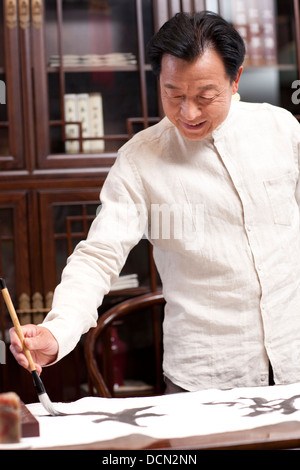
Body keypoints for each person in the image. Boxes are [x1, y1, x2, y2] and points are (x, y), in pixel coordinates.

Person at [10, 11, 300, 393]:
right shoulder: (141, 158)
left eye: (205, 96)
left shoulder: (281, 129)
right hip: (208, 374)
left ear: (236, 80)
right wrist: (58, 330)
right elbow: (99, 255)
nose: (188, 113)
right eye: (173, 94)